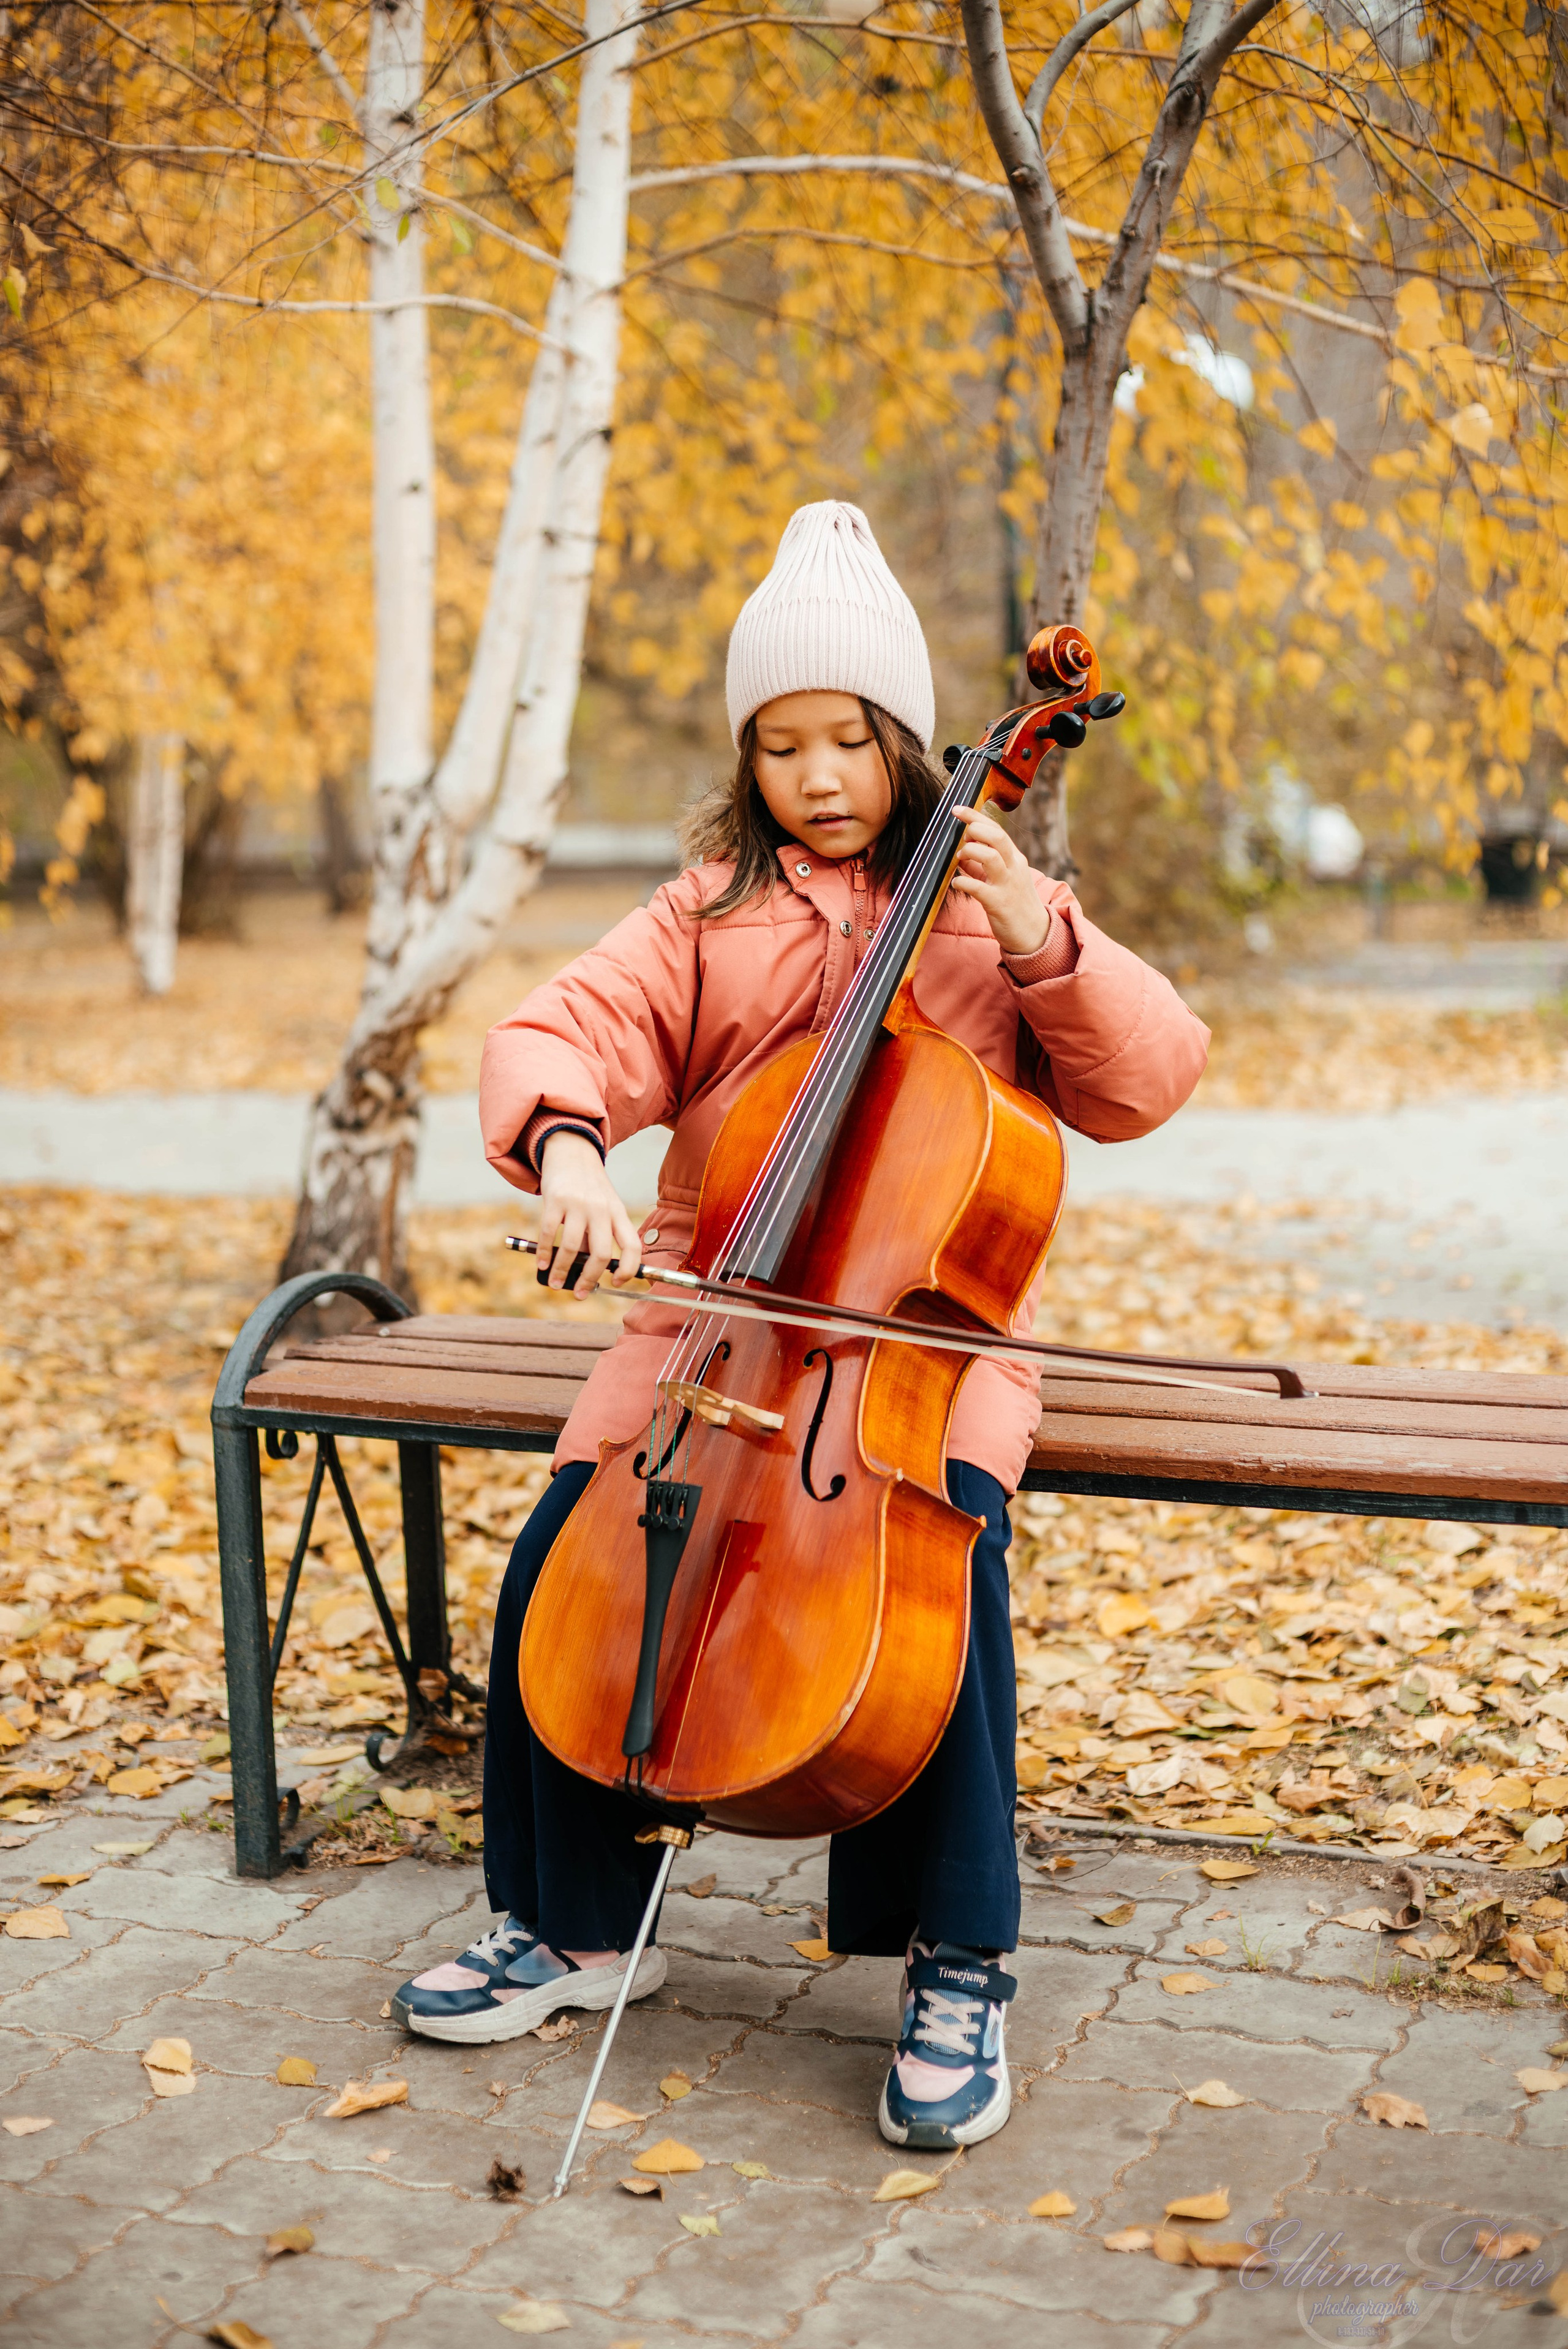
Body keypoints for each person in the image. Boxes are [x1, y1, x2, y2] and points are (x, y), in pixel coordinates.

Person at [392, 502, 1209, 2149]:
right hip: (705, 1335)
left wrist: (1041, 929)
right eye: (781, 745)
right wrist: (566, 1151)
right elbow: (574, 1027)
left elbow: (1146, 1076)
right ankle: (564, 1922)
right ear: (746, 760)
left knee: (942, 1587)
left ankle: (957, 1963)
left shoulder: (988, 904)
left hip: (917, 1357)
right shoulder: (709, 912)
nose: (819, 775)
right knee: (571, 1555)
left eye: (848, 738)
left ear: (905, 739)